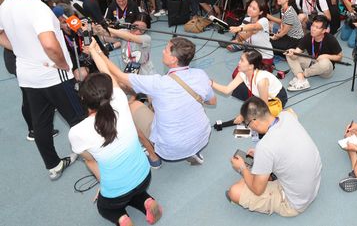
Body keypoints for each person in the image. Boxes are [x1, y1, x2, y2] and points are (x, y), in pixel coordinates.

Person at [0, 0, 84, 180]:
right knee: (78, 118)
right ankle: (97, 156)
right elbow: (49, 44)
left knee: (41, 123)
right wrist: (64, 65)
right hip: (53, 74)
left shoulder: (7, 4)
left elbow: (1, 34)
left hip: (28, 75)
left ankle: (53, 165)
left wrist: (19, 48)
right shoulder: (38, 8)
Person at [89, 37, 216, 166]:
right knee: (153, 98)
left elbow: (119, 76)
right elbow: (212, 101)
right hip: (202, 136)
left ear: (174, 59)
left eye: (166, 50)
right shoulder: (201, 74)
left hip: (172, 147)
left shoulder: (158, 83)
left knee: (133, 106)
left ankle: (153, 156)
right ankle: (193, 151)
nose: (162, 51)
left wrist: (98, 52)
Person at [68, 72, 163, 226]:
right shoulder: (120, 100)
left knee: (106, 208)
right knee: (132, 191)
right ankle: (146, 200)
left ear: (84, 100)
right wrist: (95, 51)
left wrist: (104, 186)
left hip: (117, 191)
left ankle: (122, 219)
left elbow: (90, 161)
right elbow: (110, 76)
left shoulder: (77, 132)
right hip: (145, 176)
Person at [226, 97, 322, 217]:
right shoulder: (287, 116)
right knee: (254, 175)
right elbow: (286, 144)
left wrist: (242, 168)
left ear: (254, 121)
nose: (249, 127)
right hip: (312, 185)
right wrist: (260, 157)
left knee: (234, 191)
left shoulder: (265, 146)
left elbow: (257, 190)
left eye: (247, 124)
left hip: (295, 202)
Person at [211, 50, 288, 119]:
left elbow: (264, 106)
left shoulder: (261, 81)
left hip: (277, 98)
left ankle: (281, 112)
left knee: (259, 119)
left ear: (251, 66)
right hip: (261, 95)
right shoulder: (242, 73)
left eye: (242, 61)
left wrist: (245, 116)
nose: (239, 63)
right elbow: (227, 90)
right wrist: (211, 83)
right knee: (238, 89)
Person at [285, 15, 343, 92]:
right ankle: (301, 79)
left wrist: (326, 56)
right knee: (289, 52)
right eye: (313, 25)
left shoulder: (330, 39)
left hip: (325, 69)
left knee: (324, 63)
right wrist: (293, 53)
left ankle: (302, 75)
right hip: (311, 62)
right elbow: (297, 51)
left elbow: (340, 57)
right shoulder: (308, 36)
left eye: (317, 27)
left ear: (324, 30)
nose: (313, 29)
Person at [228, 0, 274, 71]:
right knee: (236, 75)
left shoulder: (264, 20)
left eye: (254, 8)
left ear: (260, 12)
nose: (250, 9)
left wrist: (240, 29)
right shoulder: (246, 20)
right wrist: (238, 40)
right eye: (249, 6)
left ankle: (269, 66)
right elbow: (241, 38)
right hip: (252, 54)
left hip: (265, 55)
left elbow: (255, 26)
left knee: (256, 78)